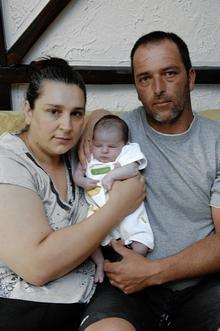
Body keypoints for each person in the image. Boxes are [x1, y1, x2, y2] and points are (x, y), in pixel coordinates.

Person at [79, 31, 220, 331]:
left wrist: (154, 271)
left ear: (191, 78)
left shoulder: (217, 141)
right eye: (145, 78)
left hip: (204, 289)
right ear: (137, 88)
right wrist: (93, 119)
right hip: (125, 287)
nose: (158, 88)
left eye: (170, 73)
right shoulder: (118, 134)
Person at [0, 57, 145, 330]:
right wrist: (117, 207)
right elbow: (37, 267)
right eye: (53, 111)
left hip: (91, 298)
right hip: (24, 308)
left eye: (76, 113)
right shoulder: (8, 160)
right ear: (28, 111)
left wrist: (93, 120)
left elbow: (101, 118)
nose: (67, 126)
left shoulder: (71, 150)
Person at [74, 114, 154, 283]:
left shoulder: (126, 153)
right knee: (88, 240)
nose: (103, 150)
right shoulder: (90, 156)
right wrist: (82, 181)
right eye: (98, 145)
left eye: (111, 147)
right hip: (97, 209)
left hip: (129, 211)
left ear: (124, 145)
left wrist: (112, 176)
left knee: (142, 240)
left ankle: (133, 261)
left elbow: (133, 169)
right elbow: (77, 174)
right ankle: (99, 262)